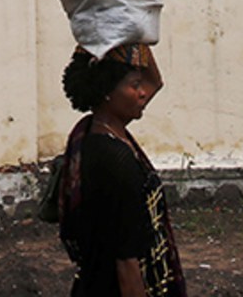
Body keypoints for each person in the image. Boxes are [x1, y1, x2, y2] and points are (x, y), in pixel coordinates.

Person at [55, 44, 186, 297]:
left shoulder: (98, 131)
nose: (143, 93)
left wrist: (135, 36)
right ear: (106, 91)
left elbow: (154, 82)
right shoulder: (115, 160)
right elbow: (126, 262)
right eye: (135, 85)